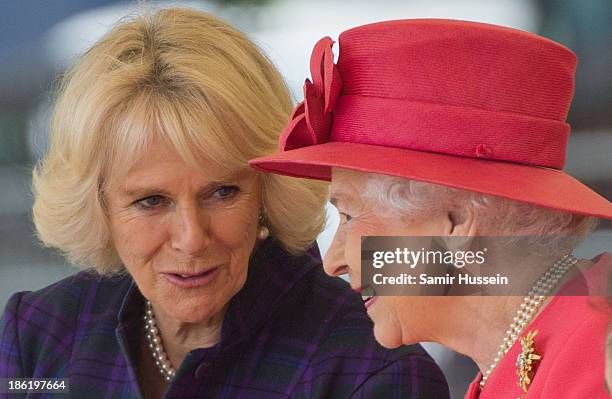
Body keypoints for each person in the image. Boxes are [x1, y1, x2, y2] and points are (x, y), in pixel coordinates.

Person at [0, 9, 450, 398]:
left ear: (268, 189)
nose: (192, 239)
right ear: (99, 206)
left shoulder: (367, 373)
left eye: (222, 192)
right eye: (151, 201)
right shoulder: (40, 336)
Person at [251, 19, 612, 398]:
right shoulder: (514, 357)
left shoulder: (597, 356)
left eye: (349, 215)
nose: (332, 261)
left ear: (454, 223)